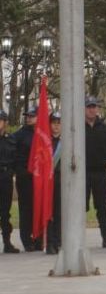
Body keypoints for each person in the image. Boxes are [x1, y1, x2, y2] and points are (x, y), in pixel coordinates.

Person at [84, 96, 106, 248]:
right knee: (80, 207)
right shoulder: (77, 127)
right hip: (81, 174)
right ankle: (76, 239)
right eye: (89, 106)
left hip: (100, 172)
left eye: (94, 106)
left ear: (97, 109)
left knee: (103, 207)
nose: (92, 109)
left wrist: (105, 159)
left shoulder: (105, 128)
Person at [12, 107, 40, 251]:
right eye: (28, 116)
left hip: (39, 176)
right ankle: (26, 239)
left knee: (38, 207)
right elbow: (13, 154)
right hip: (25, 176)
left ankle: (38, 238)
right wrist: (19, 170)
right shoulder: (19, 135)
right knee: (26, 208)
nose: (29, 118)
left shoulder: (41, 133)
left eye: (32, 116)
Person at [0, 110, 19, 253]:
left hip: (5, 177)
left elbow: (16, 159)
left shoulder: (11, 139)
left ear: (5, 122)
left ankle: (7, 242)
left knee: (5, 212)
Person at [46, 112, 62, 255]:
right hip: (49, 180)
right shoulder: (45, 141)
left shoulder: (67, 142)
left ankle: (58, 240)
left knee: (60, 212)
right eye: (54, 122)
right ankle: (50, 242)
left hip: (62, 181)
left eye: (59, 123)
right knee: (49, 213)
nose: (56, 126)